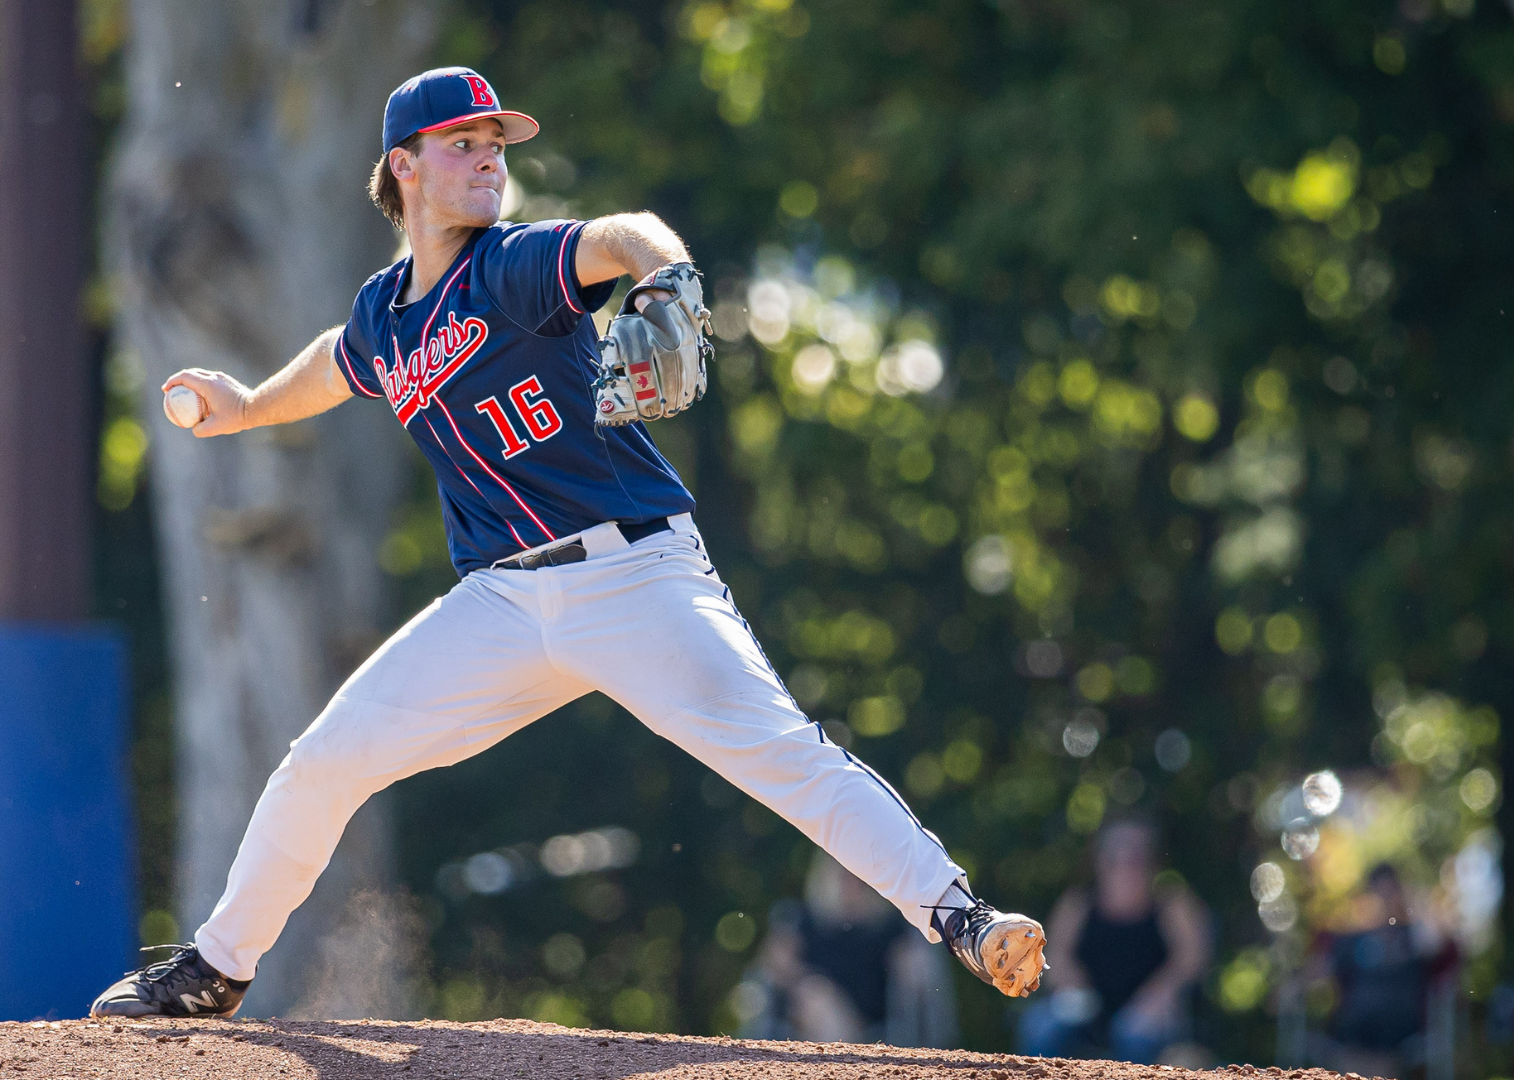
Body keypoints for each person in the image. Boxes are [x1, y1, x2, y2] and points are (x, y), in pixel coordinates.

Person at [87, 66, 1046, 1019]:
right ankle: (215, 969)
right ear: (404, 167)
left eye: (496, 146)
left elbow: (621, 236)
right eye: (464, 144)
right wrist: (249, 406)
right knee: (322, 760)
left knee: (784, 752)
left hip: (636, 574)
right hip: (502, 605)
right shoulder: (388, 313)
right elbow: (339, 363)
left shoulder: (511, 265)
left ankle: (964, 917)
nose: (488, 161)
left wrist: (662, 272)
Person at [1017, 819, 1210, 1063]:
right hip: (1087, 1010)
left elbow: (1191, 960)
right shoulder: (1077, 904)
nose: (1124, 866)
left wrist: (1160, 995)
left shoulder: (1172, 904)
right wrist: (1072, 985)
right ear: (1098, 861)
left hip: (1152, 1014)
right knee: (1042, 1025)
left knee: (1135, 1036)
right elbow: (1053, 957)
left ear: (1153, 862)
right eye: (1114, 857)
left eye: (1135, 858)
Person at [736, 853, 957, 1047]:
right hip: (809, 1016)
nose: (852, 884)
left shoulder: (890, 928)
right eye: (845, 876)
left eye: (858, 878)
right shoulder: (803, 923)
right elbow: (771, 971)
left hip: (872, 1023)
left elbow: (919, 980)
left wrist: (914, 967)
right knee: (816, 998)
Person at [1302, 864, 1460, 1078]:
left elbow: (1436, 947)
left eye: (1390, 892)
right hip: (1355, 1024)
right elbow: (1322, 967)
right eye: (1378, 892)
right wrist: (1294, 986)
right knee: (1351, 1050)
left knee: (1377, 1056)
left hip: (1399, 1026)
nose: (1384, 899)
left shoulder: (1413, 935)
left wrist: (1418, 909)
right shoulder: (1352, 939)